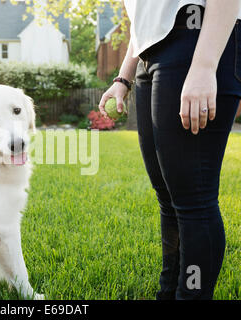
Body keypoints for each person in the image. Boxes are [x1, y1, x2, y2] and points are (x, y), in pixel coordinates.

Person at [99, 0, 241, 300]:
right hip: (151, 55)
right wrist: (124, 76)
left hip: (198, 40)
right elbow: (146, 19)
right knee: (168, 196)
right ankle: (168, 293)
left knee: (194, 200)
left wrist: (204, 67)